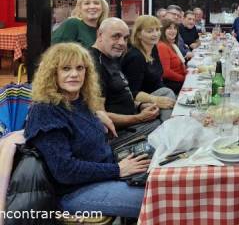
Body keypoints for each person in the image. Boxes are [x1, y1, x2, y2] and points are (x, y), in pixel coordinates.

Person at [24, 43, 149, 218]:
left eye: (80, 68)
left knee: (164, 181)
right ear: (53, 74)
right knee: (157, 200)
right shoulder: (47, 110)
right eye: (66, 68)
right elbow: (64, 170)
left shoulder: (81, 102)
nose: (74, 74)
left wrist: (122, 164)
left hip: (104, 176)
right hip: (74, 192)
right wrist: (118, 170)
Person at [90, 18, 161, 128]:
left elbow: (119, 96)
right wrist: (139, 118)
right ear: (100, 35)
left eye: (125, 38)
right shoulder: (94, 64)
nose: (122, 43)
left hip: (133, 117)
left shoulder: (111, 57)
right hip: (123, 132)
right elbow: (99, 116)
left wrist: (140, 106)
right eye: (116, 36)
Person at [121, 15, 176, 122]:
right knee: (168, 93)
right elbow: (131, 92)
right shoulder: (135, 57)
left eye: (157, 30)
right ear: (139, 34)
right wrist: (157, 99)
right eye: (150, 31)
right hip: (140, 104)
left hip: (157, 94)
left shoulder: (153, 48)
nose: (156, 34)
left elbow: (158, 81)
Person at [157, 19, 187, 95]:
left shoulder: (171, 44)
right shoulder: (162, 46)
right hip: (173, 85)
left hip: (179, 81)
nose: (173, 31)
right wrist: (184, 79)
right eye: (169, 28)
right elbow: (166, 72)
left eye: (175, 28)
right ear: (163, 30)